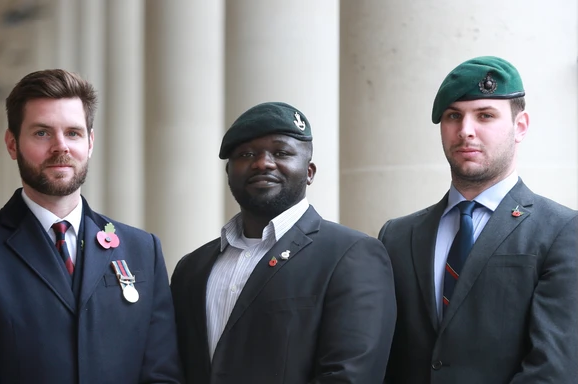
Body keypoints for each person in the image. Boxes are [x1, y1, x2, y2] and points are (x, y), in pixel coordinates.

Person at [0, 69, 183, 384]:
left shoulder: (143, 250)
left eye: (73, 133)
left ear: (90, 142)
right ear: (12, 144)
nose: (60, 146)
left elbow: (162, 374)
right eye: (42, 133)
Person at [379, 56, 578, 383]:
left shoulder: (562, 230)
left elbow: (554, 369)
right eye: (453, 116)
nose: (465, 131)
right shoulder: (397, 236)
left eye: (485, 116)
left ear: (521, 126)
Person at [171, 102, 397, 384]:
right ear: (228, 172)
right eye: (246, 154)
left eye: (281, 152)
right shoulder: (191, 269)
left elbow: (349, 376)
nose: (262, 163)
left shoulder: (352, 256)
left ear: (310, 171)